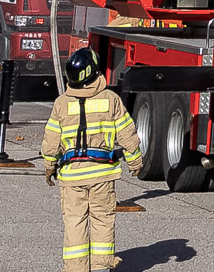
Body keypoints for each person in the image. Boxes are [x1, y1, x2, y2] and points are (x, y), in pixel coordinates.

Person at [43, 49, 139, 272]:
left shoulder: (61, 103)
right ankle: (101, 266)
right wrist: (135, 162)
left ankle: (76, 268)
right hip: (102, 175)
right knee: (102, 219)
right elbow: (127, 134)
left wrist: (49, 166)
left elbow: (51, 140)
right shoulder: (111, 100)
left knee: (74, 222)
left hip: (71, 177)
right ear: (94, 72)